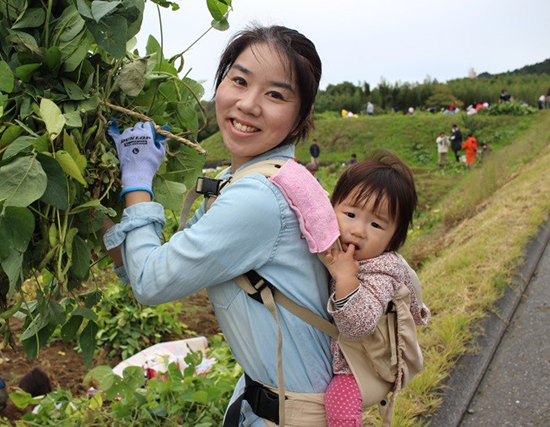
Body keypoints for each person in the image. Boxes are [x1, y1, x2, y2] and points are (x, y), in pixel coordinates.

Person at [102, 25, 332, 426]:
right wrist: (99, 207)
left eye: (275, 94)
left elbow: (151, 281)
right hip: (261, 401)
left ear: (300, 116)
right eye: (239, 80)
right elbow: (149, 267)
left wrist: (137, 181)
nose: (247, 104)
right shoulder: (251, 177)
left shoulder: (258, 198)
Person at [269, 150, 430, 426]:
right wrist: (278, 173)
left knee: (338, 400)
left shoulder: (381, 270)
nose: (358, 230)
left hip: (362, 368)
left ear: (393, 240)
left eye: (376, 224)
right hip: (341, 352)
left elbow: (358, 325)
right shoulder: (337, 240)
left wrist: (346, 279)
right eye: (351, 214)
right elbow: (310, 201)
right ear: (333, 208)